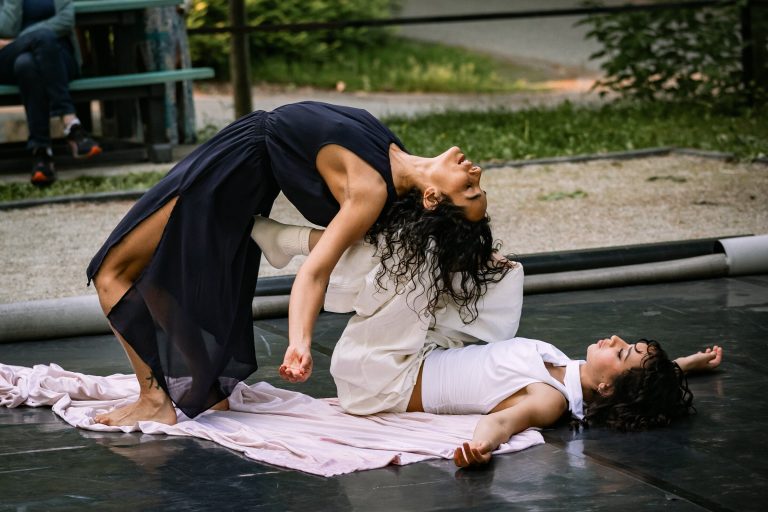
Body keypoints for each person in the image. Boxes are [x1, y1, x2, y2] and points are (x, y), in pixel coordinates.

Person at [87, 101, 509, 427]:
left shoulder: (370, 190)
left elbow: (315, 273)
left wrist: (299, 342)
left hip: (231, 170)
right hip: (240, 160)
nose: (475, 172)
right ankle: (204, 389)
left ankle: (154, 400)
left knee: (111, 271)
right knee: (156, 274)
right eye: (477, 184)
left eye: (470, 189)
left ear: (433, 198)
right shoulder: (393, 158)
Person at [254, 221, 724, 468]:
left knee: (414, 258)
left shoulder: (549, 399)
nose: (617, 340)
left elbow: (503, 421)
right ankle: (340, 262)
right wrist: (684, 365)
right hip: (424, 353)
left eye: (622, 353)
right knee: (506, 273)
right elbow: (637, 386)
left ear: (605, 388)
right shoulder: (573, 371)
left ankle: (289, 241)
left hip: (380, 377)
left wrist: (480, 447)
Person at [0, 0, 101, 187]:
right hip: (10, 55)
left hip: (58, 56)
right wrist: (28, 39)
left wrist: (27, 38)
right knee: (38, 42)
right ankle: (70, 123)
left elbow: (65, 20)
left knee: (27, 64)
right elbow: (5, 27)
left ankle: (41, 152)